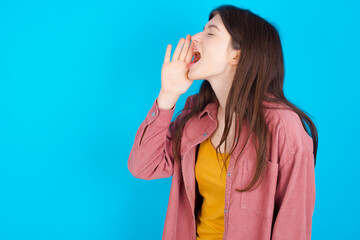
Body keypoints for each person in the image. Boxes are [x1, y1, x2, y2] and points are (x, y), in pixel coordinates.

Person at [128, 4, 318, 240]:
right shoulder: (195, 114)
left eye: (210, 32)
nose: (194, 38)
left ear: (236, 55)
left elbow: (293, 228)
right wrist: (168, 95)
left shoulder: (285, 128)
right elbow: (144, 167)